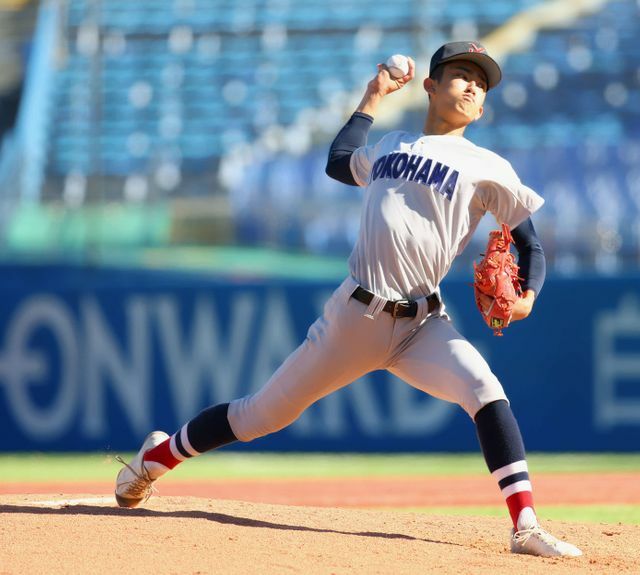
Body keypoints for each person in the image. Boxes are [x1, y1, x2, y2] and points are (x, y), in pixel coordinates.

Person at [115, 41, 582, 558]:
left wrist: (529, 297)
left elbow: (530, 245)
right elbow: (339, 161)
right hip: (353, 318)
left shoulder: (490, 167)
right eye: (460, 74)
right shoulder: (391, 146)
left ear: (485, 105)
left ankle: (525, 527)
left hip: (422, 325)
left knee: (484, 389)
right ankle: (156, 456)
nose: (472, 85)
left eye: (482, 82)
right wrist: (372, 95)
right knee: (258, 417)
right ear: (429, 86)